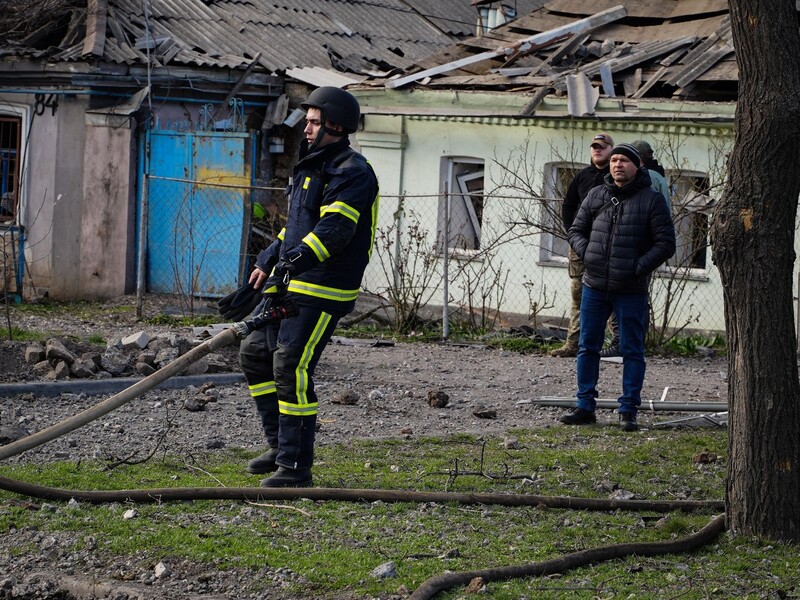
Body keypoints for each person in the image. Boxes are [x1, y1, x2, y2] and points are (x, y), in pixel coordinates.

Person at [238, 87, 379, 487]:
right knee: (254, 353)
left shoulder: (353, 171)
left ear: (336, 125)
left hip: (323, 288)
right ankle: (279, 447)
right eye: (308, 121)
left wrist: (292, 262)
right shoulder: (312, 165)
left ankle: (296, 468)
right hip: (292, 281)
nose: (306, 128)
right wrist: (268, 260)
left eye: (315, 122)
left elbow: (335, 230)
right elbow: (297, 226)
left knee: (291, 366)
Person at [559, 143, 675, 431]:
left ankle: (628, 411)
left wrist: (637, 268)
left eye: (624, 160)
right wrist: (589, 254)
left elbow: (666, 244)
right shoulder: (597, 195)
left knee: (632, 350)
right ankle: (585, 406)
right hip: (595, 286)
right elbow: (575, 229)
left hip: (631, 289)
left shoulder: (651, 200)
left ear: (637, 166)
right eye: (614, 160)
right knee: (588, 347)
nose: (617, 165)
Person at [600, 139, 671, 358]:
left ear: (637, 159)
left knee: (623, 297)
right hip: (643, 251)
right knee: (638, 299)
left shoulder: (648, 181)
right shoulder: (659, 178)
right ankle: (633, 342)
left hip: (634, 250)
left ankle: (622, 343)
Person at [549, 132, 614, 358]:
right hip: (580, 245)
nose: (597, 150)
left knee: (613, 292)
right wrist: (572, 235)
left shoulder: (616, 177)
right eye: (594, 146)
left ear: (611, 150)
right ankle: (573, 344)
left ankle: (617, 344)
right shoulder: (582, 176)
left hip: (608, 247)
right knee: (578, 293)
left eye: (602, 147)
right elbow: (568, 206)